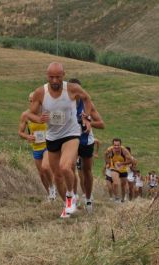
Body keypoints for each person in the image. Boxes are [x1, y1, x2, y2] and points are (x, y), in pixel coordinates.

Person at [27, 62, 93, 218]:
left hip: (71, 133)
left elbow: (87, 98)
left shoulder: (71, 89)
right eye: (51, 77)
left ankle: (71, 196)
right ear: (47, 76)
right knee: (57, 175)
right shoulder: (40, 93)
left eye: (58, 77)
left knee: (65, 167)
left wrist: (87, 117)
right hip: (52, 136)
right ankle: (67, 204)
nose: (55, 80)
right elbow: (30, 114)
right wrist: (39, 118)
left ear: (63, 75)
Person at [69, 78, 105, 213]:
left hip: (86, 141)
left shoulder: (87, 105)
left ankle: (88, 199)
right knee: (69, 167)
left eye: (79, 90)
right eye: (73, 90)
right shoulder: (65, 104)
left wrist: (88, 121)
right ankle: (73, 197)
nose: (76, 93)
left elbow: (102, 124)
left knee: (87, 170)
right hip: (71, 139)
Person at [18, 92, 56, 200]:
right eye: (30, 101)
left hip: (48, 145)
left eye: (34, 100)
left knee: (45, 167)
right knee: (42, 174)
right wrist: (27, 137)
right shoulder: (25, 115)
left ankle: (53, 188)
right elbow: (20, 132)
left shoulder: (47, 113)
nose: (32, 103)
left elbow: (60, 124)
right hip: (36, 147)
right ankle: (50, 194)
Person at [104, 138, 134, 203]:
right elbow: (105, 156)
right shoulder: (110, 150)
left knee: (123, 185)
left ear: (120, 145)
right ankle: (117, 198)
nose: (116, 147)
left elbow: (131, 161)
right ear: (112, 145)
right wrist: (108, 163)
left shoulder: (124, 151)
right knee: (115, 183)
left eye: (118, 145)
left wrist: (121, 164)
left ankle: (123, 199)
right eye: (115, 145)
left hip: (123, 168)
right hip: (114, 167)